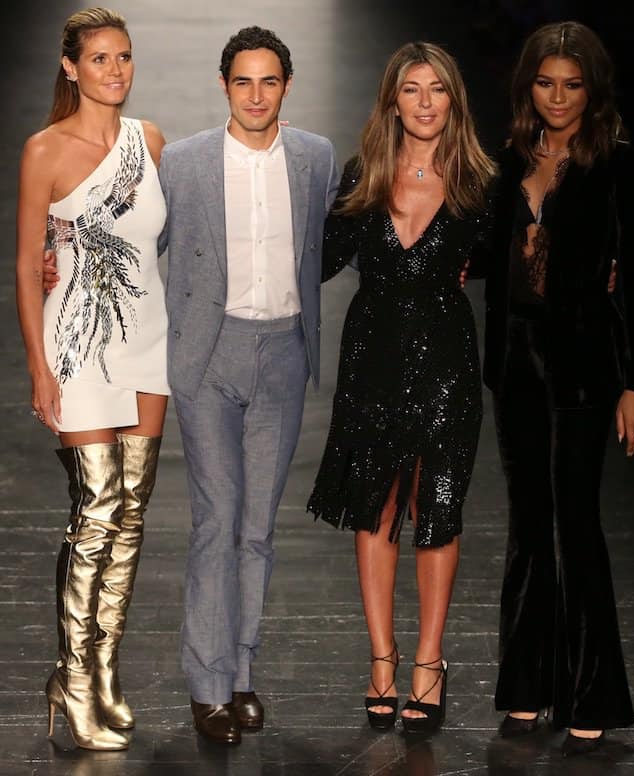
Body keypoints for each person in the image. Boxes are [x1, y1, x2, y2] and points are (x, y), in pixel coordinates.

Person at [157, 27, 338, 744]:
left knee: (258, 530)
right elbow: (140, 243)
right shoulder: (185, 162)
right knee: (217, 520)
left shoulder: (316, 159)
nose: (256, 95)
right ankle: (206, 688)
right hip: (211, 355)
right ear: (225, 85)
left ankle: (240, 675)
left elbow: (343, 238)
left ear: (286, 86)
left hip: (284, 355)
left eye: (269, 82)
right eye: (243, 82)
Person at [307, 42, 494, 734]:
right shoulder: (366, 177)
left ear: (453, 101)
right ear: (392, 100)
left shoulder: (480, 184)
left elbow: (518, 265)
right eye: (410, 90)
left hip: (445, 366)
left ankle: (428, 663)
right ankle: (381, 660)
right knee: (375, 506)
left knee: (436, 505)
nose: (423, 103)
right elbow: (315, 262)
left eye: (436, 90)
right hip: (372, 363)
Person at [483, 21, 634, 755]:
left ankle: (591, 694)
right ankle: (526, 687)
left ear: (593, 88)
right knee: (527, 523)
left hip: (584, 367)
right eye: (546, 82)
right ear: (529, 86)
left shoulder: (615, 165)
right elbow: (492, 255)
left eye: (572, 84)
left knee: (574, 526)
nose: (558, 96)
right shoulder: (510, 156)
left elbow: (633, 279)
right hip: (515, 363)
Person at [16, 8, 169, 751]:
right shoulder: (44, 149)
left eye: (125, 57)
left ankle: (105, 672)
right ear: (71, 67)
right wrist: (37, 369)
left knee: (133, 512)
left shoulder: (152, 143)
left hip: (147, 340)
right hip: (76, 343)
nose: (115, 70)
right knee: (97, 511)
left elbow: (160, 241)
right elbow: (22, 265)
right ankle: (72, 681)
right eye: (100, 58)